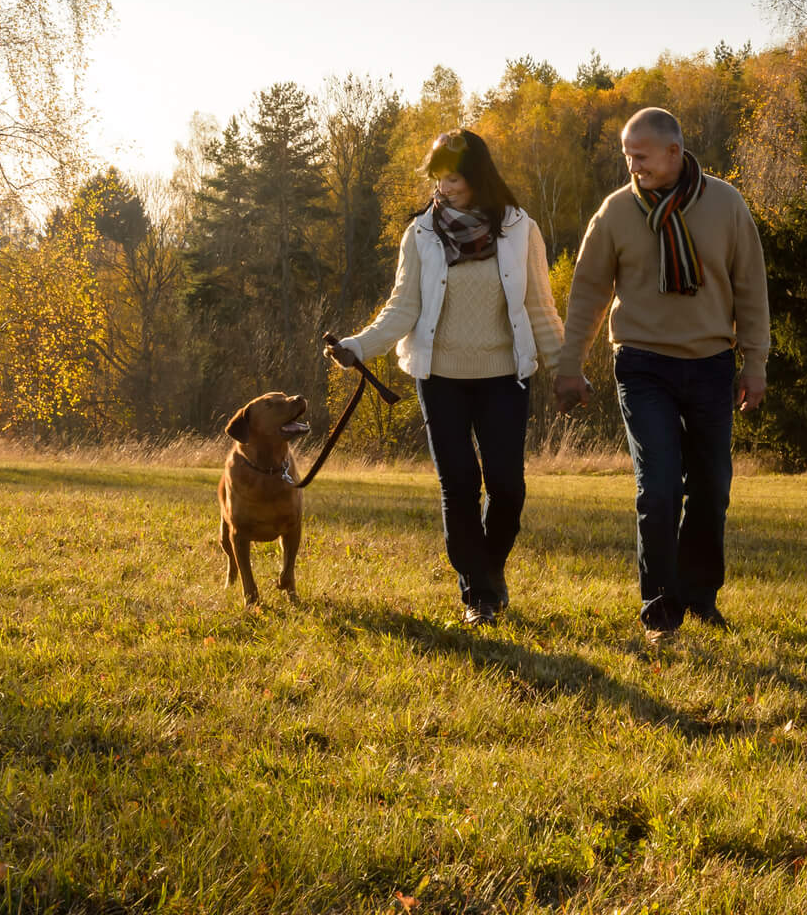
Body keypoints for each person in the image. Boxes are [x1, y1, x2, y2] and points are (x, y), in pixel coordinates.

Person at [326, 129, 563, 625]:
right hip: (441, 378)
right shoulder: (421, 234)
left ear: (477, 177)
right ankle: (479, 595)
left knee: (508, 487)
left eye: (453, 178)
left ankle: (489, 573)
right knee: (458, 484)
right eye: (438, 178)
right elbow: (402, 308)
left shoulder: (521, 230)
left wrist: (566, 369)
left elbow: (541, 308)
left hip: (505, 377)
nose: (444, 187)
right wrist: (357, 347)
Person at [555, 107, 769, 642]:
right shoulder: (614, 213)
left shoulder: (726, 204)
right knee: (657, 490)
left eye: (642, 156)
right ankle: (659, 608)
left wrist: (755, 363)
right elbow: (587, 294)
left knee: (711, 488)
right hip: (643, 364)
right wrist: (569, 365)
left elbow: (751, 288)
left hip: (711, 365)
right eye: (627, 156)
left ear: (675, 152)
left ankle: (699, 598)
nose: (633, 166)